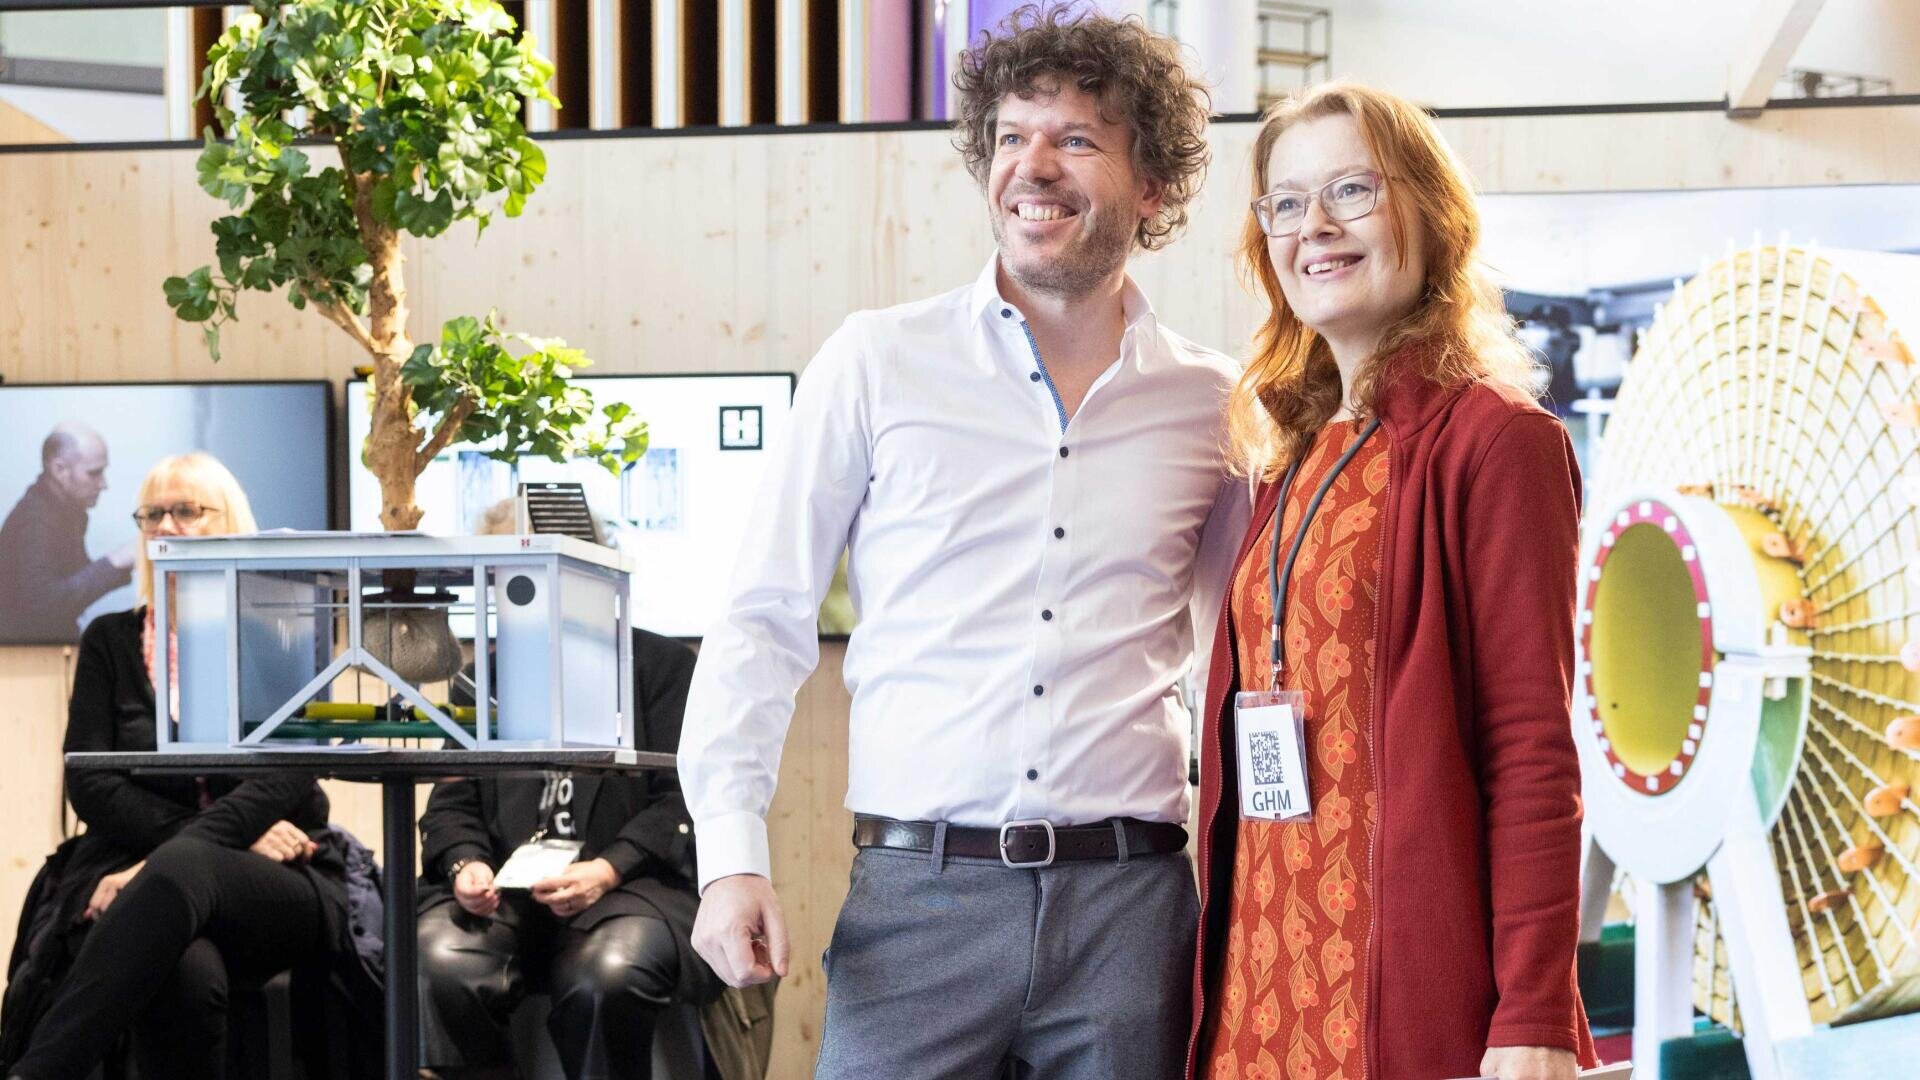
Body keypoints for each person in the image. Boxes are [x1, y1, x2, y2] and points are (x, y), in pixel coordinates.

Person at [678, 6, 1244, 1078]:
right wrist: (729, 855)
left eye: (1076, 138)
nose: (1033, 165)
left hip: (1132, 909)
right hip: (915, 903)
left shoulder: (1216, 405)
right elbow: (762, 617)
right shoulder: (875, 361)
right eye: (1011, 136)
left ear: (1153, 184)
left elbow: (1243, 662)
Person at [1187, 83, 1600, 1080]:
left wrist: (1534, 1012)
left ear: (1430, 210)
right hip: (1262, 980)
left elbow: (1533, 752)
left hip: (1401, 992)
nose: (1315, 228)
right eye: (1286, 203)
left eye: (1351, 190)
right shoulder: (1292, 455)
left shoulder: (1497, 443)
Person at [2, 451, 379, 1080]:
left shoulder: (284, 630)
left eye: (185, 510)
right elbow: (90, 783)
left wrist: (163, 864)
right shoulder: (109, 641)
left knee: (184, 869)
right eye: (152, 514)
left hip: (280, 875)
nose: (165, 527)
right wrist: (205, 843)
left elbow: (287, 773)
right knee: (183, 975)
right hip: (145, 866)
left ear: (229, 520)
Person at [414, 502, 735, 1080]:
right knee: (439, 957)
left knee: (606, 972)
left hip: (635, 888)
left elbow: (683, 799)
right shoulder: (482, 679)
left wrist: (608, 870)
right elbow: (452, 804)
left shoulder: (661, 667)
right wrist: (465, 864)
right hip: (508, 893)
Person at [0, 422, 138, 642]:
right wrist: (116, 561)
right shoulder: (35, 521)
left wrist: (121, 563)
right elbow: (42, 605)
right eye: (94, 473)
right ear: (59, 470)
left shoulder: (61, 510)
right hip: (30, 657)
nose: (103, 484)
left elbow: (68, 588)